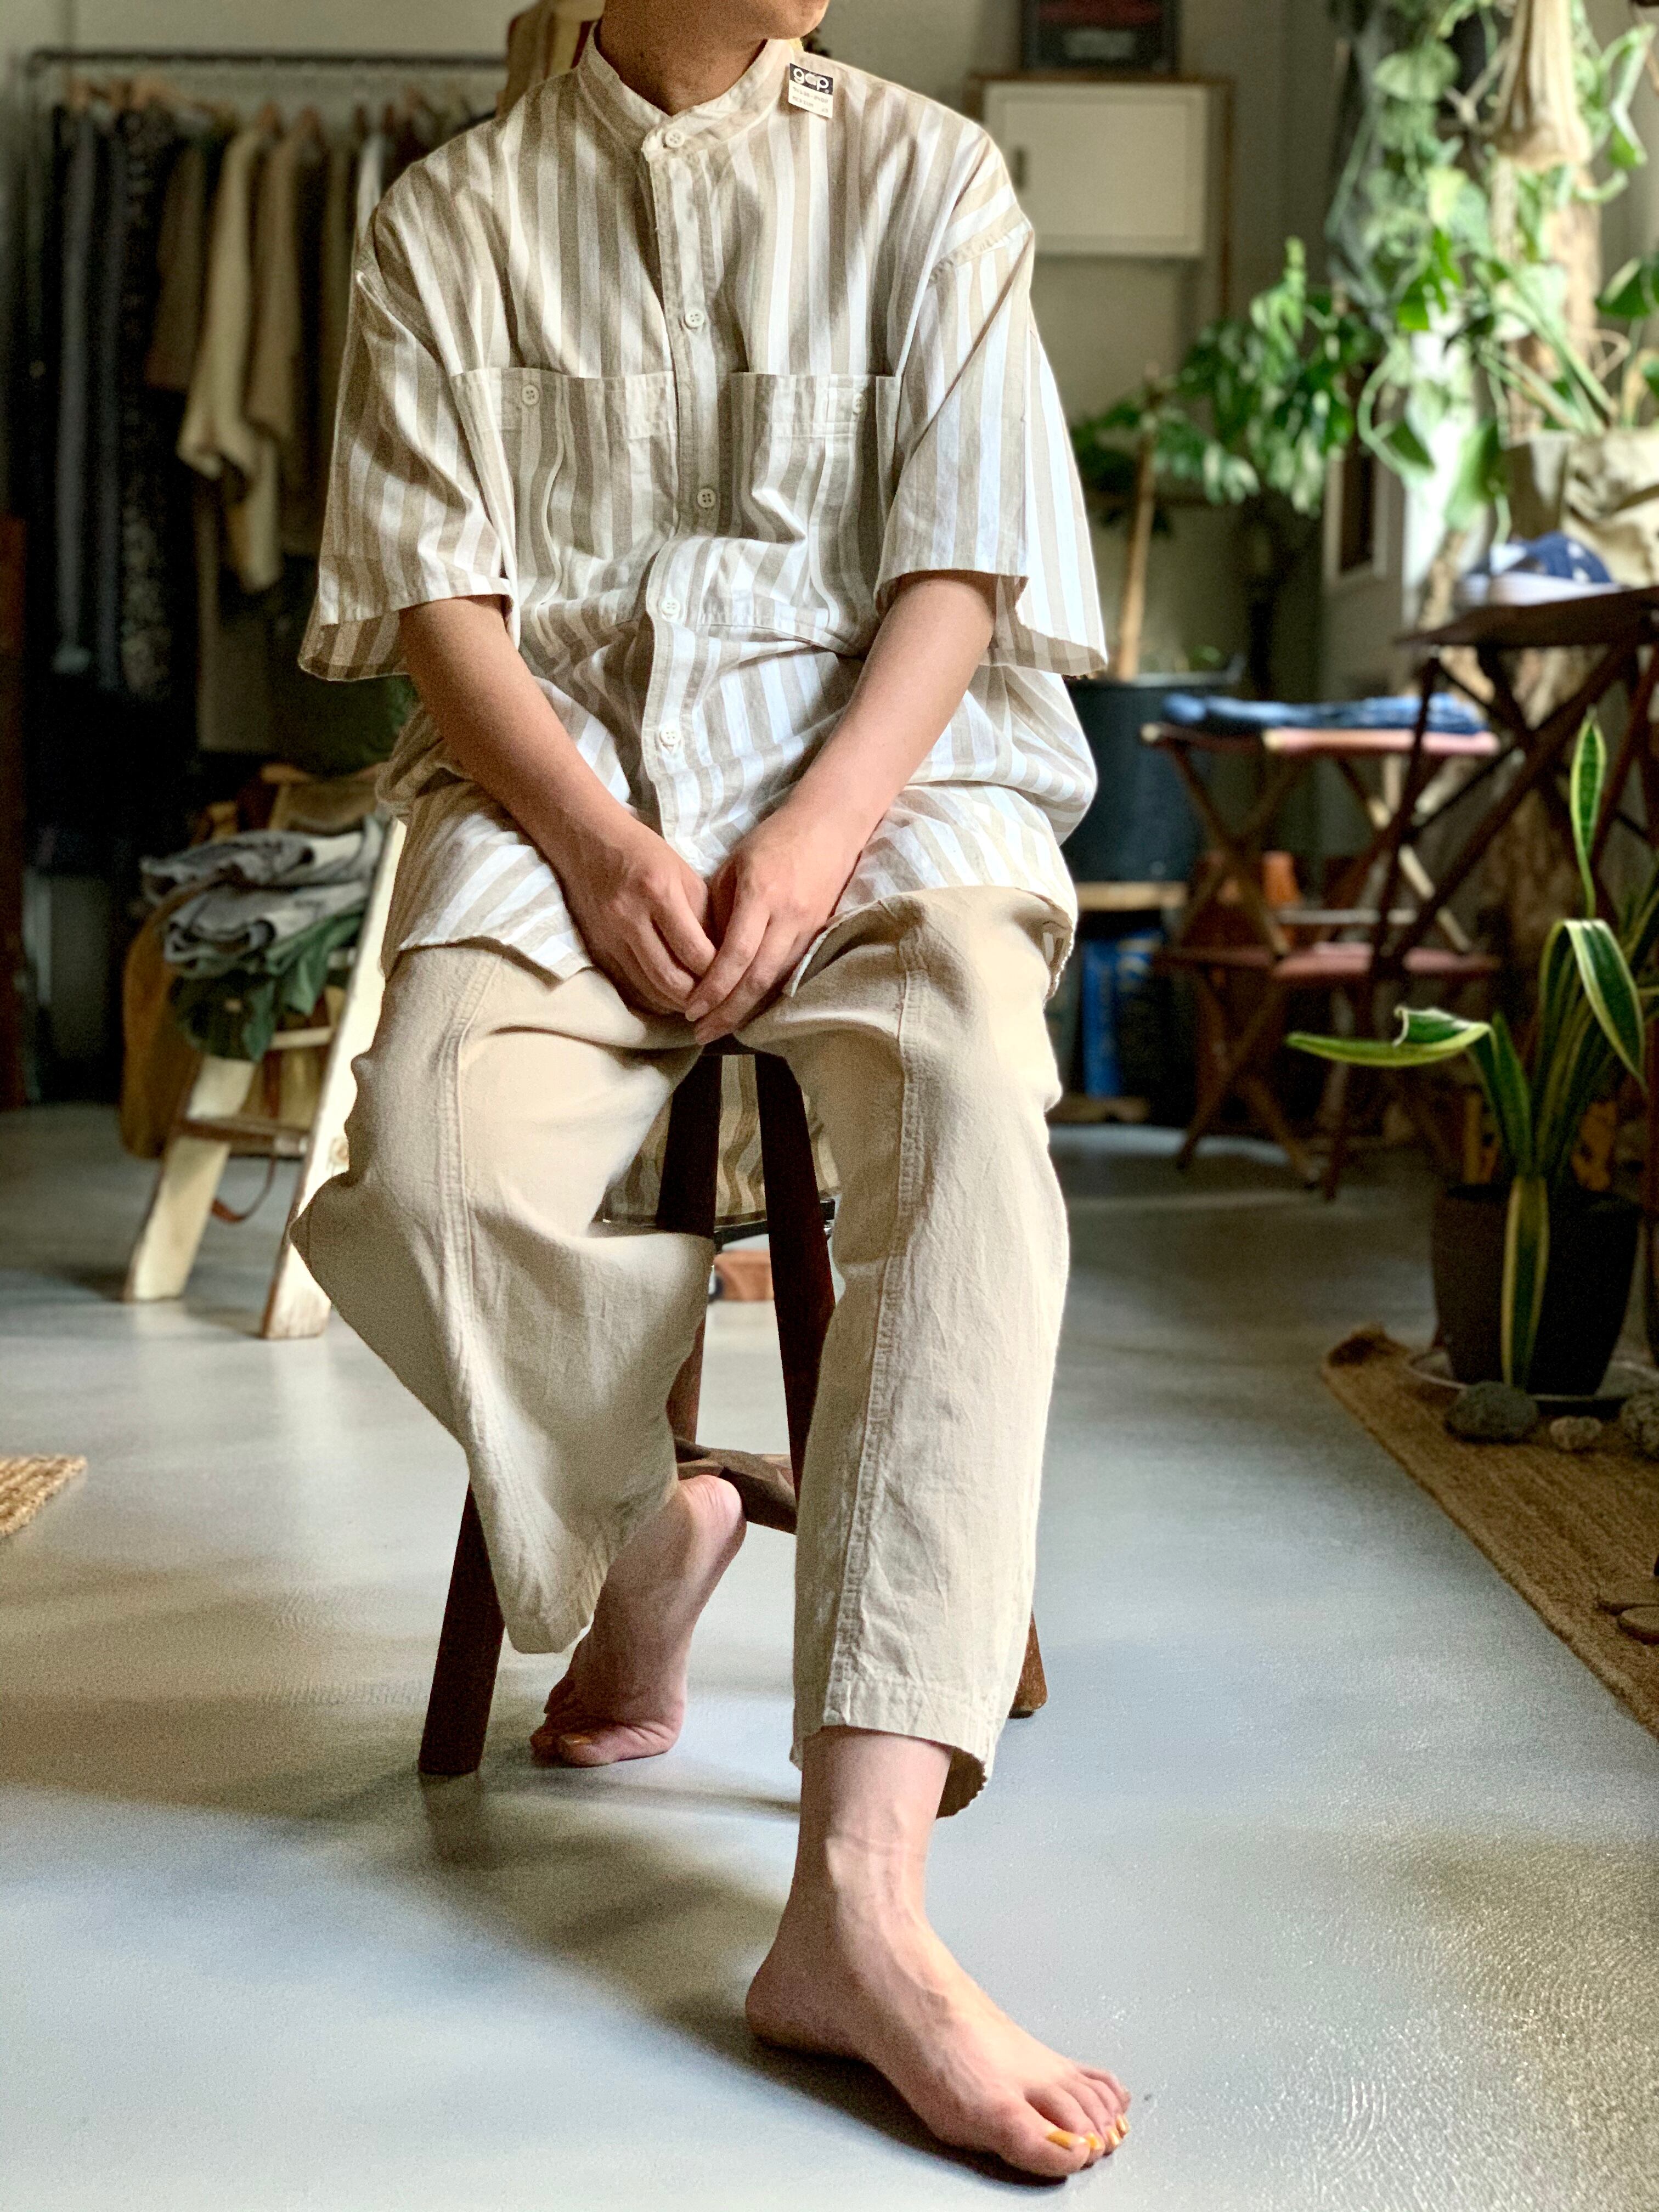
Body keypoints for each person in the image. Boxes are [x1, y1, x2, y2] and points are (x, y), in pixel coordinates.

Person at [292, 0, 1129, 2176]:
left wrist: (821, 837)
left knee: (969, 1104)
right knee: (423, 1157)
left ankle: (862, 1901)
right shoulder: (449, 219)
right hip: (558, 795)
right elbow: (438, 602)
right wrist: (595, 845)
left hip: (892, 786)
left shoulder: (930, 177)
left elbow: (962, 566)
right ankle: (639, 1536)